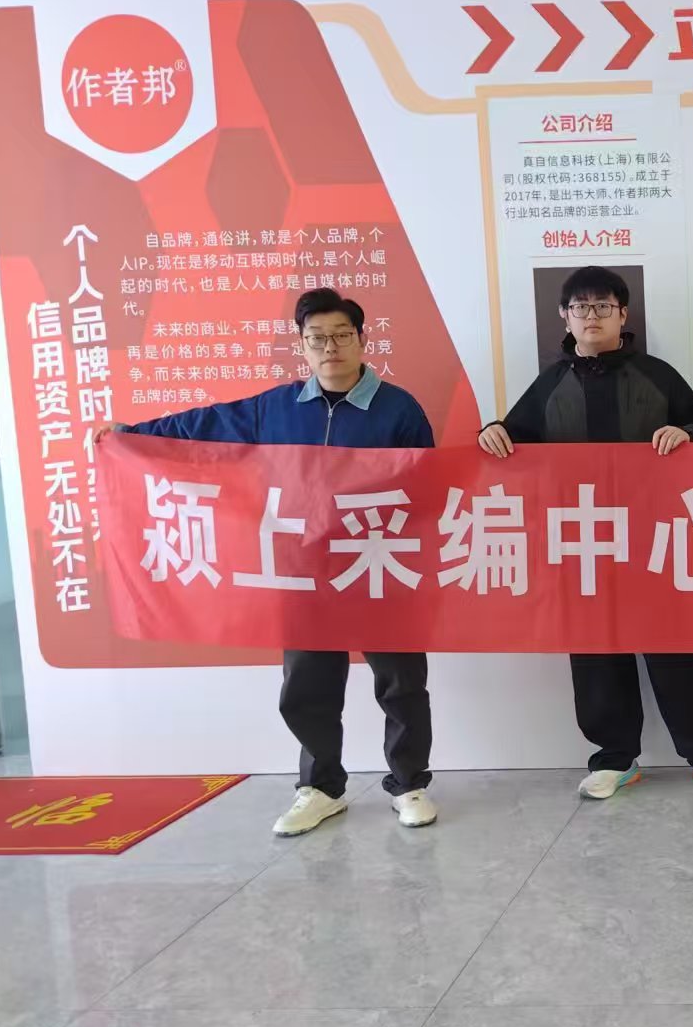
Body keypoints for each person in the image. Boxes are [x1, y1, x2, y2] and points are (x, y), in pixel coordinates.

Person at [98, 289, 440, 837]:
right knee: (307, 684)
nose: (330, 347)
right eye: (316, 338)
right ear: (302, 345)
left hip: (379, 565)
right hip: (303, 571)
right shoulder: (276, 408)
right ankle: (321, 788)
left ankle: (408, 784)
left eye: (341, 335)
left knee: (400, 682)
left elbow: (429, 489)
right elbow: (204, 427)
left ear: (362, 339)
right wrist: (131, 436)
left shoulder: (400, 409)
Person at [479, 266, 693, 801]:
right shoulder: (550, 383)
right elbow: (511, 437)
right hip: (582, 541)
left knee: (674, 647)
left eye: (603, 306)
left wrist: (686, 432)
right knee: (595, 653)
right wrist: (491, 431)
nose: (592, 316)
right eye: (581, 307)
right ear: (565, 317)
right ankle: (615, 757)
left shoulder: (656, 374)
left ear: (623, 314)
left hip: (655, 537)